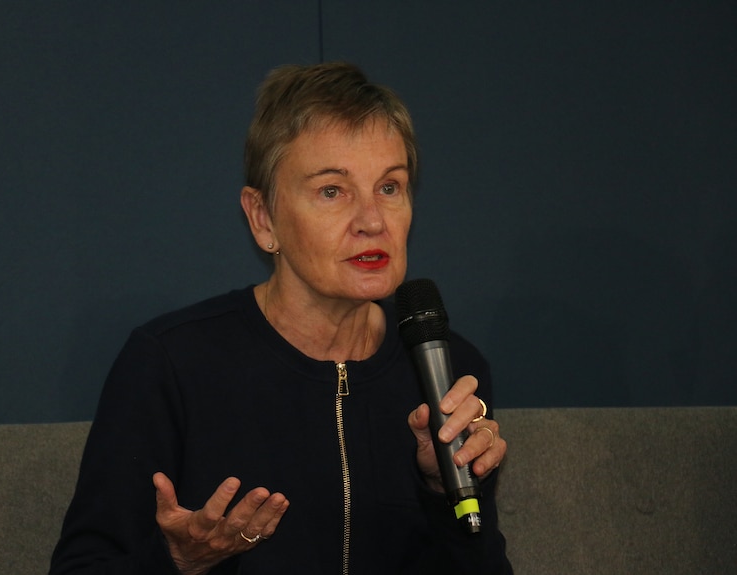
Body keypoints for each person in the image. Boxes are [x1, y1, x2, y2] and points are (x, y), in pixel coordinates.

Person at [50, 62, 512, 575]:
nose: (372, 221)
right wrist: (177, 561)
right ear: (263, 218)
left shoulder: (449, 370)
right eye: (332, 191)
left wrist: (441, 490)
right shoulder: (172, 364)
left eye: (390, 187)